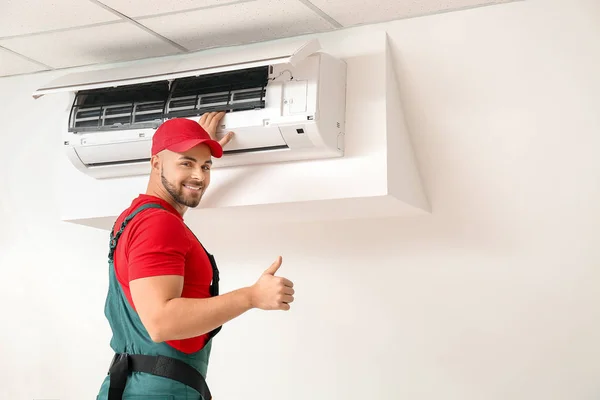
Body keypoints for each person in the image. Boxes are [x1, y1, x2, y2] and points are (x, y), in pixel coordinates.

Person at [95, 112, 295, 400]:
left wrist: (194, 144)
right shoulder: (159, 224)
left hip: (136, 386)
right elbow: (161, 321)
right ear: (155, 163)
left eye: (206, 166)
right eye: (186, 163)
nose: (199, 176)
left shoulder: (134, 218)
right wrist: (251, 297)